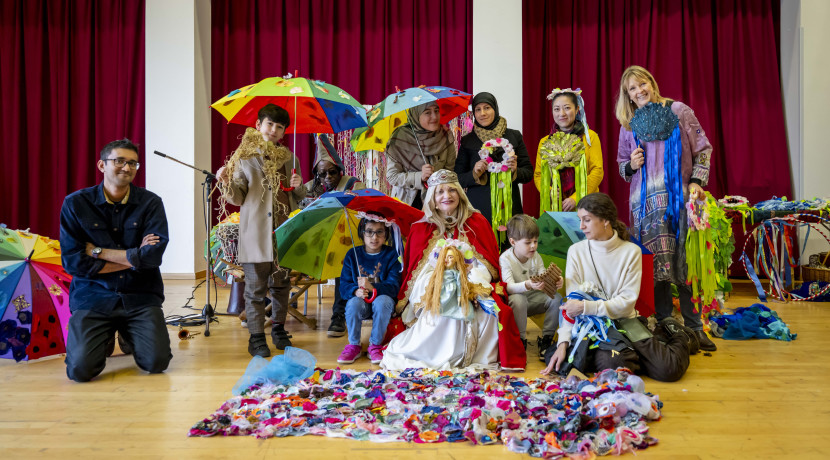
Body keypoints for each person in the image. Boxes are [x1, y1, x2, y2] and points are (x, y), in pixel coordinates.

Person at [614, 65, 717, 352]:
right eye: (632, 88)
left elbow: (703, 149)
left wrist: (697, 182)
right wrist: (630, 164)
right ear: (628, 97)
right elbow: (622, 165)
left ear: (652, 83)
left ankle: (695, 327)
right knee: (654, 263)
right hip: (645, 206)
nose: (639, 91)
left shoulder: (679, 111)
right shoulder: (629, 124)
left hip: (680, 200)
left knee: (685, 261)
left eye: (642, 83)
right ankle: (664, 324)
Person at [380, 170, 526, 371]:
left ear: (460, 193)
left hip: (472, 275)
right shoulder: (420, 228)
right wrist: (442, 276)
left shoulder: (478, 222)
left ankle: (472, 354)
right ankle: (437, 353)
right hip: (432, 280)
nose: (446, 196)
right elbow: (416, 270)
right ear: (433, 198)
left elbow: (488, 265)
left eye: (451, 190)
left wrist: (466, 279)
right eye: (440, 192)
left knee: (483, 309)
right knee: (442, 298)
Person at [541, 193, 695, 382]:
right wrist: (563, 342)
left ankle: (674, 331)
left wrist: (586, 307)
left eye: (586, 220)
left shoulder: (631, 252)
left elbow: (626, 305)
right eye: (580, 220)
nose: (581, 226)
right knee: (588, 364)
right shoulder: (576, 251)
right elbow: (571, 307)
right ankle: (631, 358)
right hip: (591, 327)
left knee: (668, 369)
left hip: (625, 321)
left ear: (605, 220)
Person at [60, 138, 172, 382]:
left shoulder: (151, 203)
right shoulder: (75, 204)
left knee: (156, 363)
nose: (127, 167)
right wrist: (134, 258)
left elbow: (152, 257)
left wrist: (97, 251)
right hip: (94, 296)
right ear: (102, 165)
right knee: (79, 371)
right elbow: (73, 263)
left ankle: (128, 335)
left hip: (140, 294)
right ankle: (104, 338)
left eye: (133, 163)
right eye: (119, 161)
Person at [216, 104, 304, 357]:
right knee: (255, 290)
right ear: (258, 125)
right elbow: (237, 197)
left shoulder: (290, 158)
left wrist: (299, 187)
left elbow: (297, 198)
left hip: (284, 234)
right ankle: (256, 337)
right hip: (256, 234)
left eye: (280, 127)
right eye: (270, 124)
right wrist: (225, 182)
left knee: (281, 286)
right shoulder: (244, 157)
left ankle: (278, 328)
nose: (274, 130)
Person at [300, 134, 365, 338]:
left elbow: (363, 214)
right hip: (315, 243)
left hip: (346, 241)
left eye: (332, 172)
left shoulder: (354, 185)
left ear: (340, 170)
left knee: (344, 259)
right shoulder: (310, 188)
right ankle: (272, 310)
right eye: (322, 174)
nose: (327, 177)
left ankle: (339, 315)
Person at [456, 92, 533, 224]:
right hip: (479, 208)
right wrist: (474, 173)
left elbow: (528, 173)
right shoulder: (468, 140)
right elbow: (458, 178)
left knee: (511, 242)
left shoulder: (514, 136)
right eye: (478, 109)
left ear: (495, 109)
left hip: (509, 206)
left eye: (487, 108)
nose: (482, 113)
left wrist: (515, 170)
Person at [336, 215, 402, 365]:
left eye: (380, 232)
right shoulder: (353, 255)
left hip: (383, 306)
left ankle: (375, 345)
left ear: (386, 234)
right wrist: (355, 291)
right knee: (353, 303)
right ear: (362, 233)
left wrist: (373, 287)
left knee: (382, 301)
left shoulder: (391, 255)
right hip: (361, 304)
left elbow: (394, 287)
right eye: (369, 232)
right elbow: (344, 286)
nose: (374, 237)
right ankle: (354, 345)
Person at [499, 214, 563, 362]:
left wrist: (556, 281)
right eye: (528, 242)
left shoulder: (536, 257)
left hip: (533, 299)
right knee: (519, 299)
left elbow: (543, 275)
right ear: (513, 242)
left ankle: (546, 339)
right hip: (516, 301)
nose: (533, 246)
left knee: (556, 298)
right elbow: (508, 287)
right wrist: (527, 284)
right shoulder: (505, 259)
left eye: (535, 241)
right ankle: (521, 341)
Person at [534, 88, 603, 213]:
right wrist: (550, 191)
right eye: (556, 109)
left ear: (577, 109)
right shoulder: (545, 141)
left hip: (586, 204)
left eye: (567, 108)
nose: (562, 113)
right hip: (555, 206)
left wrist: (575, 198)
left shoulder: (589, 137)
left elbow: (597, 171)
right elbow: (538, 175)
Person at [385, 101, 457, 209]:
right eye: (427, 112)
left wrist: (436, 176)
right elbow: (392, 176)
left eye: (436, 111)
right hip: (407, 203)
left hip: (438, 203)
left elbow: (450, 172)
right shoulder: (399, 138)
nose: (434, 116)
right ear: (416, 115)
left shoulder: (445, 135)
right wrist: (419, 176)